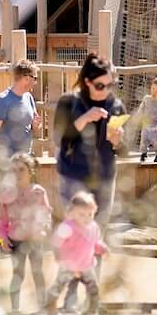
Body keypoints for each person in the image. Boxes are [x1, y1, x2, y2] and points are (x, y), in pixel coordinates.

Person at [52, 54, 125, 225]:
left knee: (98, 232)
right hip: (73, 175)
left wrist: (118, 141)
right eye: (100, 86)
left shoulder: (116, 106)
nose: (105, 91)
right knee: (76, 230)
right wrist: (83, 119)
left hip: (105, 177)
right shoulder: (68, 102)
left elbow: (124, 150)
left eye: (110, 85)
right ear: (87, 82)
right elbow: (59, 139)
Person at [0, 152, 51, 311]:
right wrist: (3, 237)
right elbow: (2, 219)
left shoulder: (39, 191)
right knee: (17, 275)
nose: (17, 174)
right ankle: (15, 310)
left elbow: (46, 213)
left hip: (35, 240)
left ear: (30, 171)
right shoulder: (8, 194)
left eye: (21, 169)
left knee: (38, 273)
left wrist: (45, 226)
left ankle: (42, 307)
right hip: (16, 240)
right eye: (13, 170)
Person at [46, 191, 108, 315]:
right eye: (82, 214)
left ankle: (91, 310)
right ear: (72, 213)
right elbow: (56, 241)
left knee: (93, 288)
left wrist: (102, 247)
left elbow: (94, 242)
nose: (87, 218)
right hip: (69, 265)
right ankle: (50, 307)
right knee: (59, 286)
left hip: (86, 265)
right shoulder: (68, 227)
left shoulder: (93, 227)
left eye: (90, 214)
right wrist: (57, 254)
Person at [0, 60, 41, 180]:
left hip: (25, 162)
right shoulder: (2, 101)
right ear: (26, 78)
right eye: (35, 78)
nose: (35, 82)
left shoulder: (28, 98)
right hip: (6, 164)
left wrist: (36, 126)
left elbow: (32, 127)